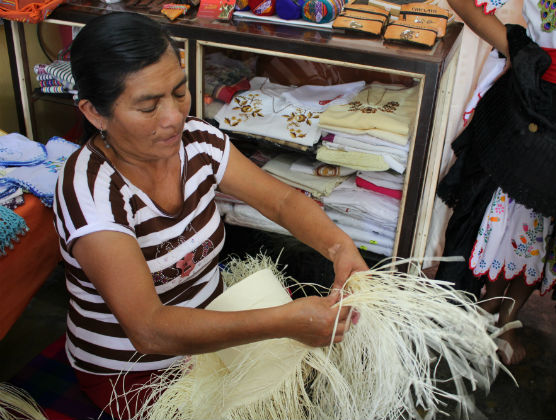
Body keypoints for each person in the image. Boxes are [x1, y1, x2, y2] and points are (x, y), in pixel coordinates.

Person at [52, 11, 368, 418]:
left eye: (179, 93)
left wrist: (340, 247)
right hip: (133, 373)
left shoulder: (199, 141)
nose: (173, 117)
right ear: (95, 113)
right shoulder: (91, 192)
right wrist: (284, 322)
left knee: (308, 389)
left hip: (215, 328)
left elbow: (282, 202)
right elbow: (149, 329)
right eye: (148, 107)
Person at [435, 0, 556, 366]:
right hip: (540, 97)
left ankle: (508, 315)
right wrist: (515, 47)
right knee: (519, 215)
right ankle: (489, 308)